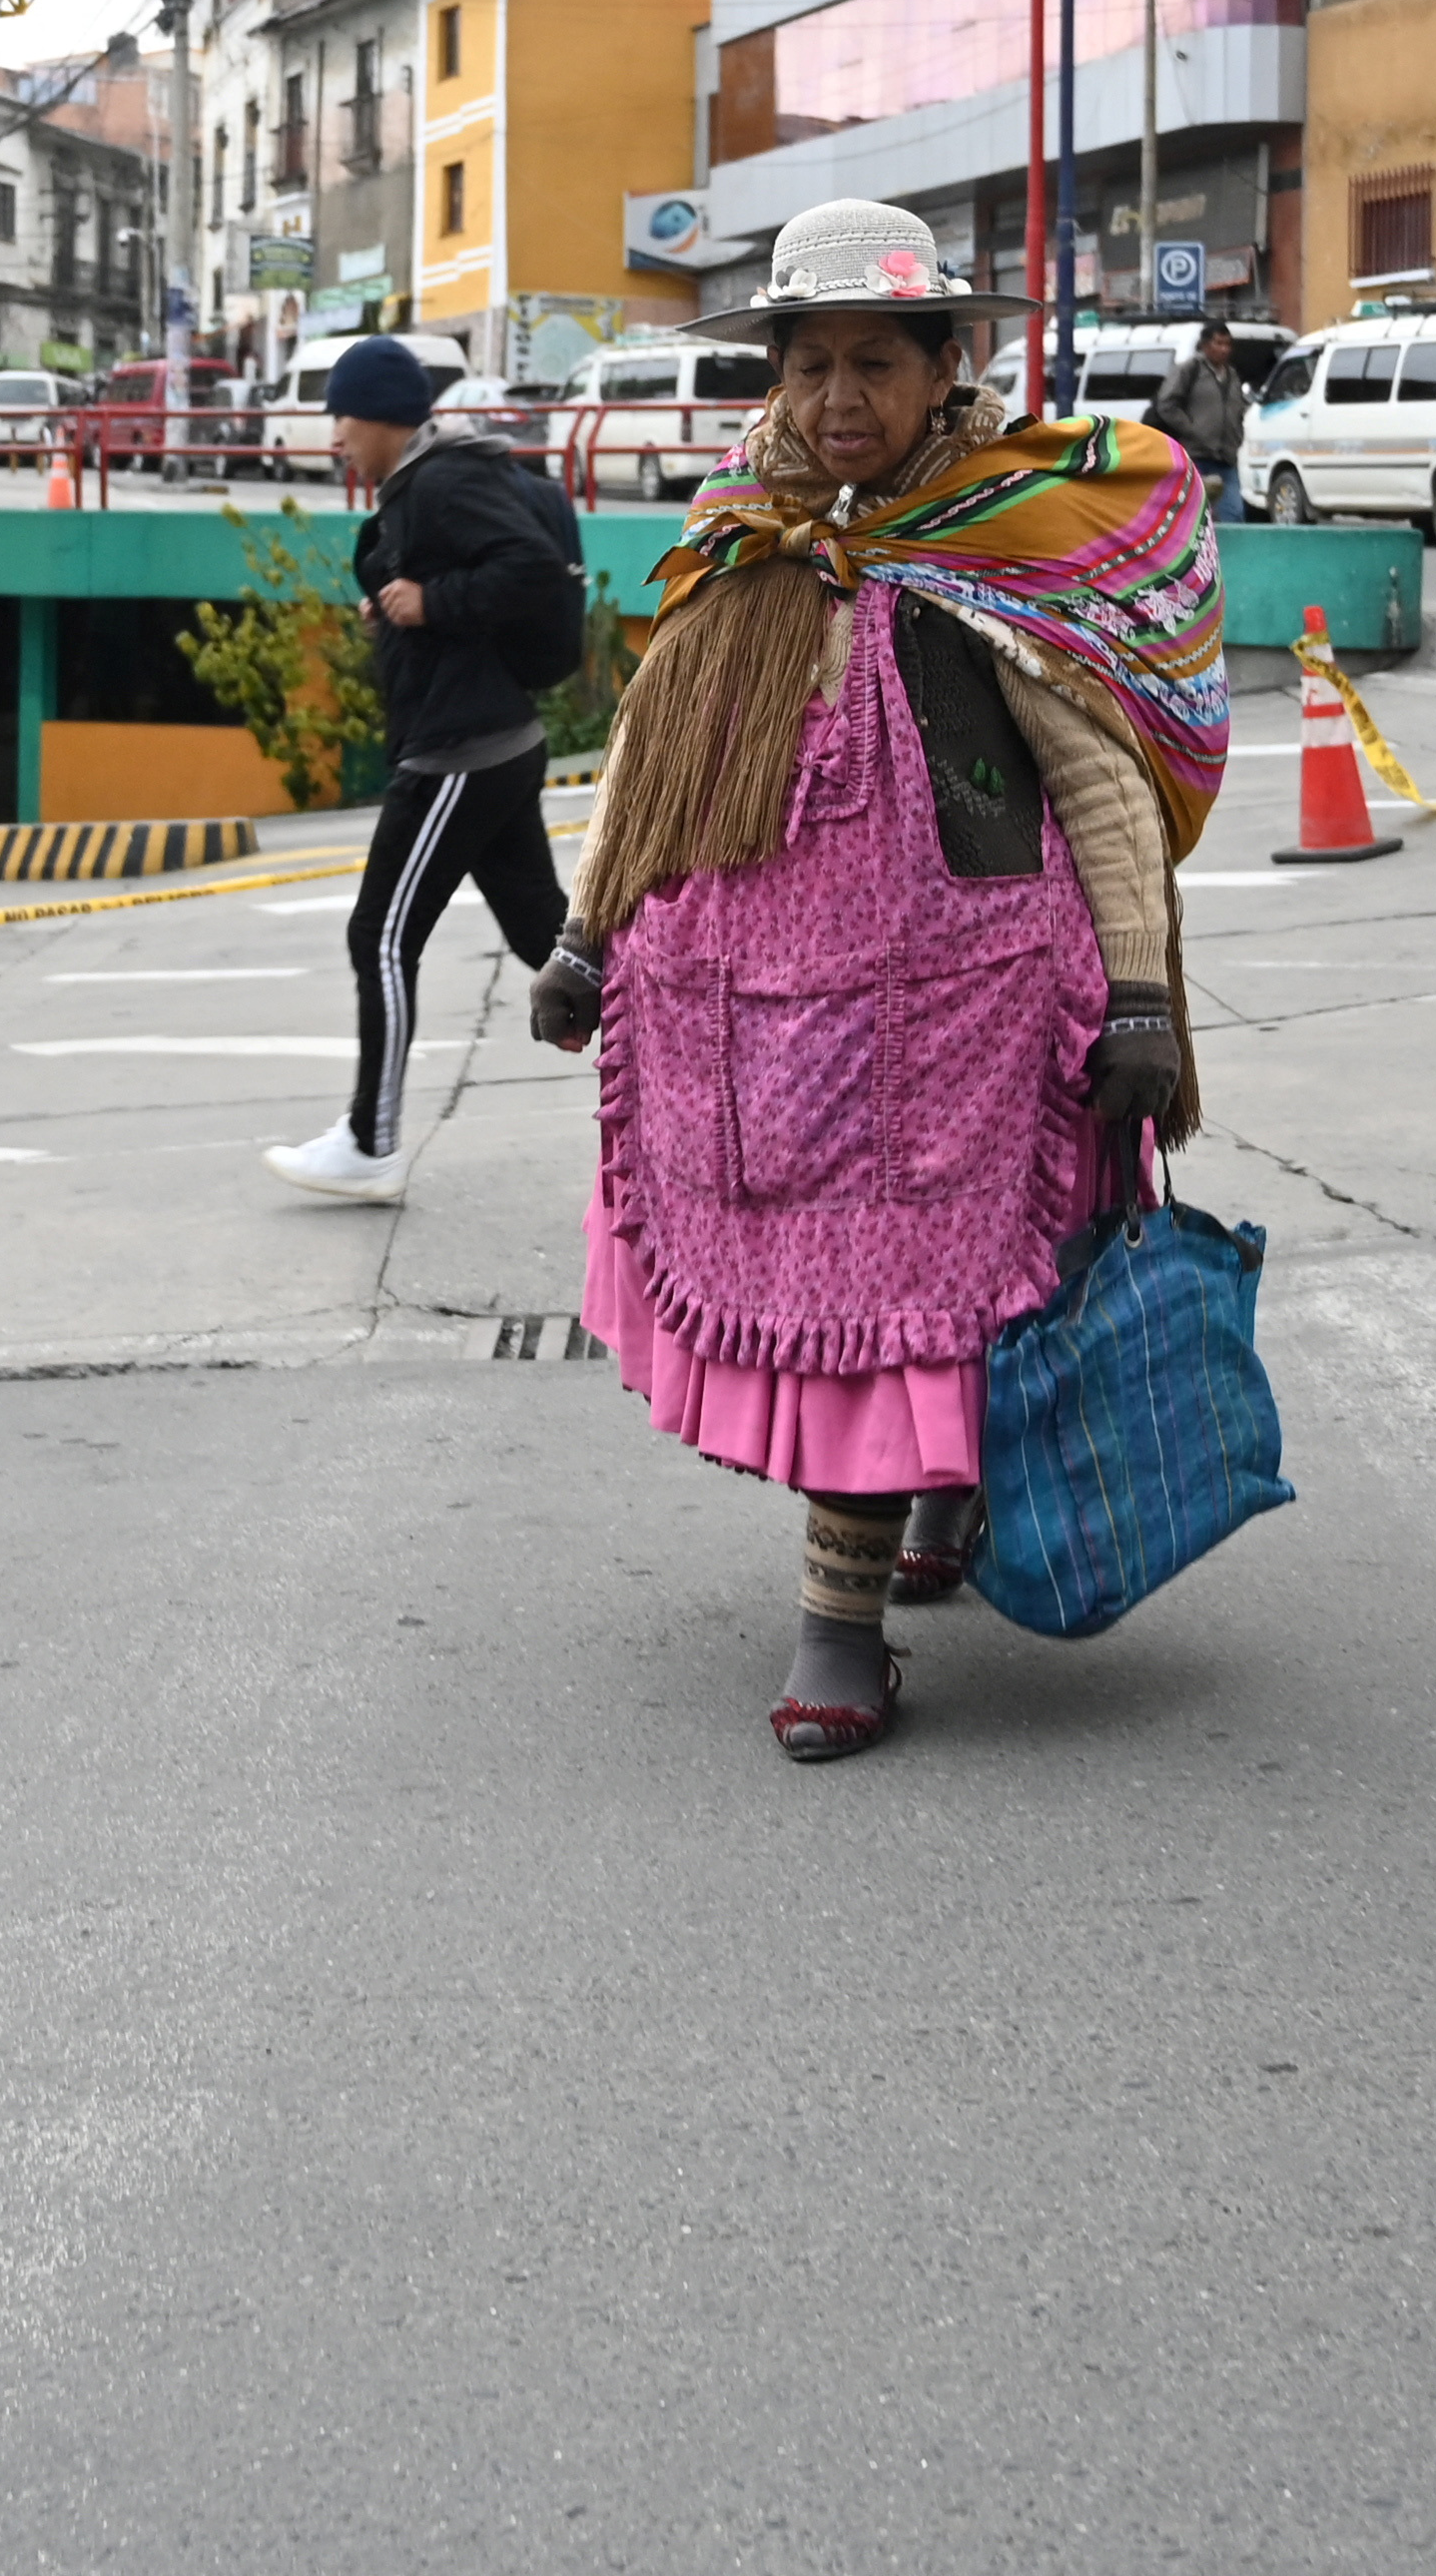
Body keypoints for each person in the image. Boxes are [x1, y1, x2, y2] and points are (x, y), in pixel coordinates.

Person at [528, 200, 1225, 1758]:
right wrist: (586, 934)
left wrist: (1138, 994)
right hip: (754, 1018)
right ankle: (933, 1508)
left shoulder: (1004, 532)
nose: (839, 398)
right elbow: (651, 756)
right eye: (812, 365)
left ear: (944, 367)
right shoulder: (742, 538)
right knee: (881, 1293)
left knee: (923, 1282)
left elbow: (1100, 782)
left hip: (967, 1005)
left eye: (875, 364)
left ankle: (838, 1631)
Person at [264, 334, 591, 1205]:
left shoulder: (442, 479)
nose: (334, 436)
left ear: (374, 416)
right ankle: (693, 1074)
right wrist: (402, 603)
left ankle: (371, 1143)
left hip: (461, 751)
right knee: (547, 941)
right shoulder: (425, 483)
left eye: (340, 417)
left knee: (378, 935)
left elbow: (521, 564)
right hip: (490, 742)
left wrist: (430, 601)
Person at [1149, 316, 1251, 518]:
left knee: (1234, 513)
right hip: (1197, 456)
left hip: (1226, 457)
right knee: (1194, 514)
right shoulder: (1190, 370)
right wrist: (1192, 429)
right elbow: (1167, 404)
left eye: (1227, 344)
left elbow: (1238, 407)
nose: (1224, 349)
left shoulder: (1232, 375)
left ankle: (1227, 551)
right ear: (1205, 345)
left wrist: (1237, 435)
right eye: (1218, 343)